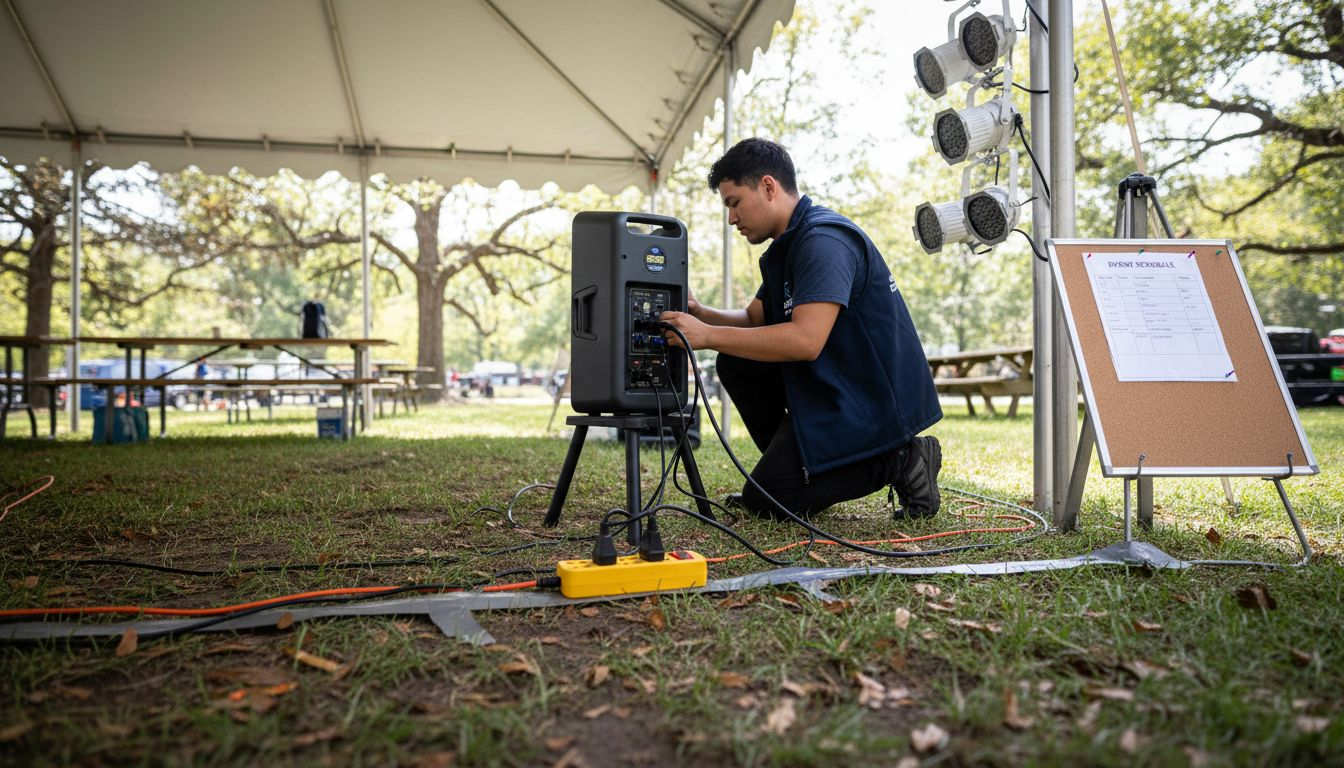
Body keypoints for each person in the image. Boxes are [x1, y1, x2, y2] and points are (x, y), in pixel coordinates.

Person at [659, 138, 943, 520]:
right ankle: (804, 470)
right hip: (834, 390)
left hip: (870, 402)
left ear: (768, 186)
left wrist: (706, 336)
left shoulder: (823, 241)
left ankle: (903, 458)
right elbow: (755, 320)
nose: (731, 218)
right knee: (736, 363)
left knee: (768, 503)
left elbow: (806, 340)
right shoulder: (788, 245)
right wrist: (700, 313)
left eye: (734, 202)